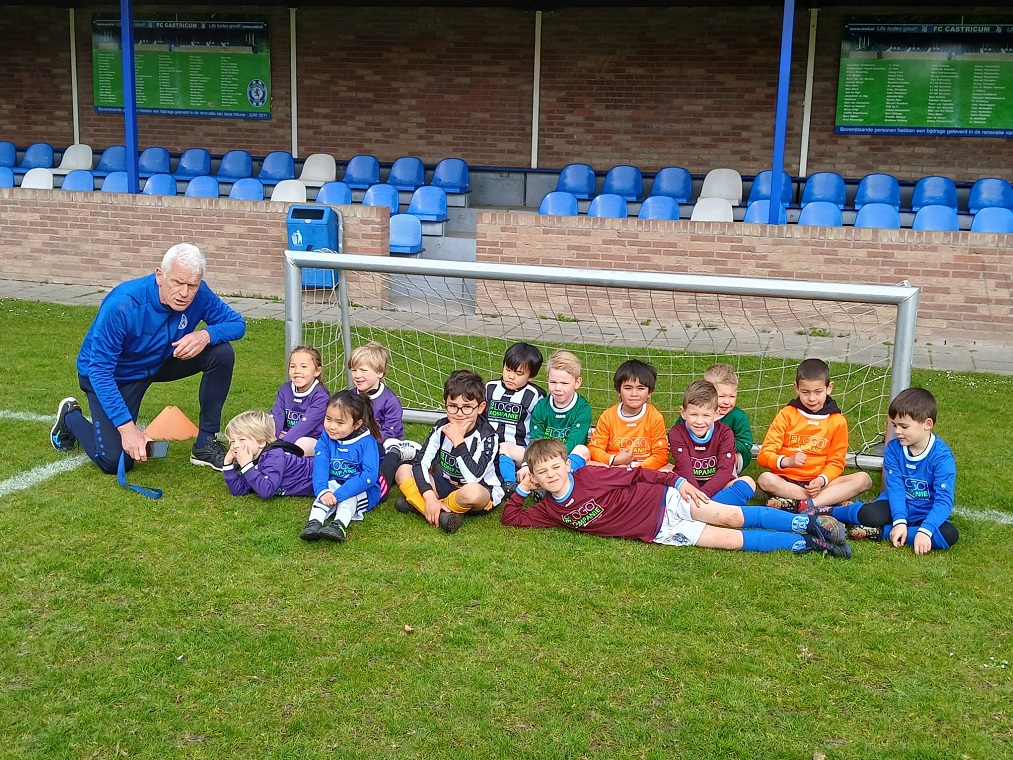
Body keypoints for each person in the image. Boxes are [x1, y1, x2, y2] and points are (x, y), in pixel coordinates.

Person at [50, 243, 246, 473]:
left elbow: (237, 324)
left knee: (221, 353)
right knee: (115, 461)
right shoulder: (122, 305)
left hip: (157, 363)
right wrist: (128, 429)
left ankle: (205, 444)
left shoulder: (200, 294)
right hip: (113, 376)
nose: (185, 293)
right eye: (177, 283)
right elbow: (100, 371)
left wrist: (206, 335)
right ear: (159, 275)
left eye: (192, 285)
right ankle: (70, 417)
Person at [501, 439, 851, 558]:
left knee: (729, 516)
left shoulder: (590, 476)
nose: (552, 475)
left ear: (567, 464)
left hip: (663, 501)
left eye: (556, 467)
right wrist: (524, 490)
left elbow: (638, 474)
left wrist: (678, 481)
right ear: (535, 476)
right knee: (729, 541)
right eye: (542, 472)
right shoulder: (548, 510)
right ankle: (811, 545)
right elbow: (511, 518)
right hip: (659, 531)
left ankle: (809, 523)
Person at [815, 388, 959, 553]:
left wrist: (926, 530)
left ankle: (878, 532)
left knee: (949, 534)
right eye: (895, 425)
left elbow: (943, 501)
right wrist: (899, 520)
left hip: (925, 511)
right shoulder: (893, 449)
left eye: (904, 426)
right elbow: (896, 489)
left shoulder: (942, 457)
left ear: (927, 424)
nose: (897, 431)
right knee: (871, 515)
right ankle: (830, 511)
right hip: (895, 503)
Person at [394, 370, 505, 534]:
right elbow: (420, 462)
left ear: (480, 407)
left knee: (471, 492)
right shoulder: (441, 427)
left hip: (481, 490)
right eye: (453, 406)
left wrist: (458, 441)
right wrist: (430, 496)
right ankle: (439, 512)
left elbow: (473, 478)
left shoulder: (488, 437)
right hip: (447, 484)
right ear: (445, 403)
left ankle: (419, 504)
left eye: (467, 407)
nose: (459, 414)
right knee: (403, 470)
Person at [756, 358, 872, 510]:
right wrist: (788, 461)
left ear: (829, 388)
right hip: (785, 480)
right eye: (805, 392)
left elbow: (836, 462)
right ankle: (828, 500)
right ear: (797, 388)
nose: (811, 398)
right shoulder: (787, 414)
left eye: (818, 392)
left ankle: (799, 503)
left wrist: (821, 480)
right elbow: (764, 456)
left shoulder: (838, 421)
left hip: (819, 483)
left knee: (864, 480)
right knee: (765, 479)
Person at [300, 390, 382, 543]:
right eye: (328, 419)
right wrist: (322, 491)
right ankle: (314, 523)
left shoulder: (367, 442)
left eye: (340, 423)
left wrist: (339, 495)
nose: (332, 426)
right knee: (327, 490)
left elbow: (369, 476)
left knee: (349, 499)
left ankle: (339, 526)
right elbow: (321, 465)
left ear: (356, 424)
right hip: (335, 484)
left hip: (362, 489)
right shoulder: (325, 438)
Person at [348, 341, 420, 500]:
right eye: (354, 370)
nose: (357, 375)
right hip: (358, 445)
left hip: (384, 445)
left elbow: (390, 433)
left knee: (389, 454)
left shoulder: (390, 401)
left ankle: (382, 484)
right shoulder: (351, 397)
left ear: (380, 372)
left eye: (363, 370)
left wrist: (366, 444)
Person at [668, 380, 746, 496]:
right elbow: (685, 469)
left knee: (747, 483)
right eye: (694, 414)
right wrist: (697, 494)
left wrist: (704, 494)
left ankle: (699, 505)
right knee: (663, 474)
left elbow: (725, 470)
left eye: (706, 415)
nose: (699, 421)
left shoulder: (725, 433)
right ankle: (712, 506)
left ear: (716, 414)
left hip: (717, 487)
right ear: (683, 412)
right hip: (688, 487)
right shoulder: (677, 433)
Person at [588, 359, 669, 469]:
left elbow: (661, 455)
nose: (634, 394)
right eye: (628, 388)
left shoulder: (654, 417)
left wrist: (635, 467)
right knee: (588, 466)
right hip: (614, 467)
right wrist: (614, 460)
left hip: (644, 469)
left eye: (640, 388)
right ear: (618, 391)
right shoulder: (608, 416)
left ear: (650, 392)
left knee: (669, 472)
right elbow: (594, 449)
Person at [485, 341, 545, 485]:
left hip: (520, 449)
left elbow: (539, 427)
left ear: (531, 376)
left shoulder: (535, 395)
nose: (511, 376)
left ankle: (509, 484)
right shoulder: (490, 388)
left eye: (519, 373)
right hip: (489, 446)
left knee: (505, 449)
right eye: (508, 370)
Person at [223, 410, 314, 498]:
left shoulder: (273, 456)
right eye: (232, 441)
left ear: (261, 442)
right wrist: (227, 464)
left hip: (321, 474)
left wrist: (246, 466)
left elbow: (267, 490)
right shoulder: (253, 459)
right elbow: (239, 490)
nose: (235, 445)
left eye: (242, 440)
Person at [271, 345, 330, 457]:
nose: (297, 371)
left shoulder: (321, 396)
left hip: (312, 439)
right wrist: (271, 438)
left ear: (317, 371)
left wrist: (280, 444)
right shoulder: (285, 389)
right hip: (286, 435)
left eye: (304, 367)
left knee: (299, 444)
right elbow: (277, 415)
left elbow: (305, 425)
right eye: (293, 366)